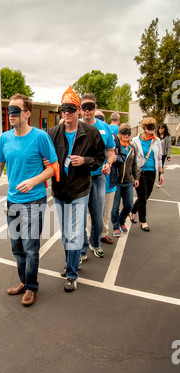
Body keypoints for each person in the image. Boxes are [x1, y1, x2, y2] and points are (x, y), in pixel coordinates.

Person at [0, 94, 59, 306]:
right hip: (12, 201)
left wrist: (34, 181)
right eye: (9, 110)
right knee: (17, 247)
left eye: (16, 110)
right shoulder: (4, 138)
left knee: (31, 247)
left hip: (34, 201)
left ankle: (32, 288)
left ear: (27, 113)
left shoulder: (41, 136)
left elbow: (53, 167)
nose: (11, 114)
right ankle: (24, 282)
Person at [47, 86, 106, 292]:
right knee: (65, 235)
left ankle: (72, 273)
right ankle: (71, 262)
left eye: (71, 108)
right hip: (60, 191)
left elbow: (100, 158)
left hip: (80, 191)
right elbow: (46, 158)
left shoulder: (91, 132)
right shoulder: (53, 132)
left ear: (79, 110)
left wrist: (85, 160)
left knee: (73, 235)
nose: (67, 112)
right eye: (64, 109)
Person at [79, 94, 115, 258]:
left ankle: (95, 243)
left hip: (99, 178)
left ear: (95, 107)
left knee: (98, 216)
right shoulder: (74, 126)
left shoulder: (104, 127)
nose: (87, 110)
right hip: (79, 178)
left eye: (90, 107)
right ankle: (82, 249)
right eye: (84, 107)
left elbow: (111, 152)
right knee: (79, 217)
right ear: (80, 109)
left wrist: (109, 163)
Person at [129, 117, 163, 232]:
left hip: (152, 172)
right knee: (143, 198)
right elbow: (132, 157)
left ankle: (132, 211)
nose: (152, 129)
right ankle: (143, 221)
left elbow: (159, 158)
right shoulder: (135, 140)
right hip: (140, 172)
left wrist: (161, 173)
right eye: (149, 127)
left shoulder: (157, 141)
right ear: (144, 128)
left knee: (146, 196)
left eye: (153, 127)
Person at [111, 123, 139, 237]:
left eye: (128, 133)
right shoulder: (115, 147)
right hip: (116, 181)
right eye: (124, 133)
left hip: (128, 181)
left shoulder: (132, 148)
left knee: (129, 205)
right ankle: (115, 226)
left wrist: (136, 177)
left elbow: (134, 164)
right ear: (119, 134)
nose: (126, 135)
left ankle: (122, 221)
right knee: (115, 207)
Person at [95, 110, 116, 245]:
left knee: (107, 209)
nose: (99, 121)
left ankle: (104, 233)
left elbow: (116, 154)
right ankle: (91, 237)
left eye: (101, 118)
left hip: (108, 180)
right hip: (91, 178)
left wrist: (109, 163)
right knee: (92, 212)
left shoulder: (109, 132)